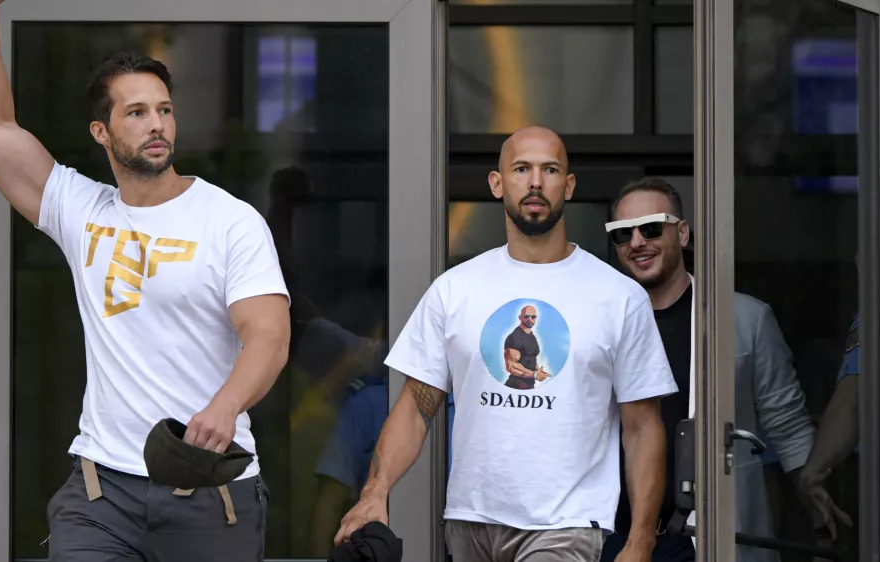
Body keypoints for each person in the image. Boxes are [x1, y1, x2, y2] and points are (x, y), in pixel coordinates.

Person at [0, 1, 291, 560]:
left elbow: (269, 335)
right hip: (101, 493)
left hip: (208, 489)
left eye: (164, 109)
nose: (156, 123)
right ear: (102, 132)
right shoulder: (83, 210)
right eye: (135, 112)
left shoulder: (229, 220)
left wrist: (226, 404)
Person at [334, 126, 678, 562]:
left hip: (565, 524)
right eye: (521, 169)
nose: (536, 181)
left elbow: (643, 427)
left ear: (568, 186)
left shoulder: (618, 296)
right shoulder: (454, 290)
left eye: (550, 169)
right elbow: (416, 406)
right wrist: (374, 492)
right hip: (470, 523)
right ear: (497, 184)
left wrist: (641, 541)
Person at [602, 178, 851, 562]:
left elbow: (787, 424)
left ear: (682, 233)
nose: (637, 242)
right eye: (623, 234)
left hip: (708, 535)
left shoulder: (745, 319)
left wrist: (817, 509)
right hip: (616, 538)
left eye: (651, 228)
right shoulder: (598, 323)